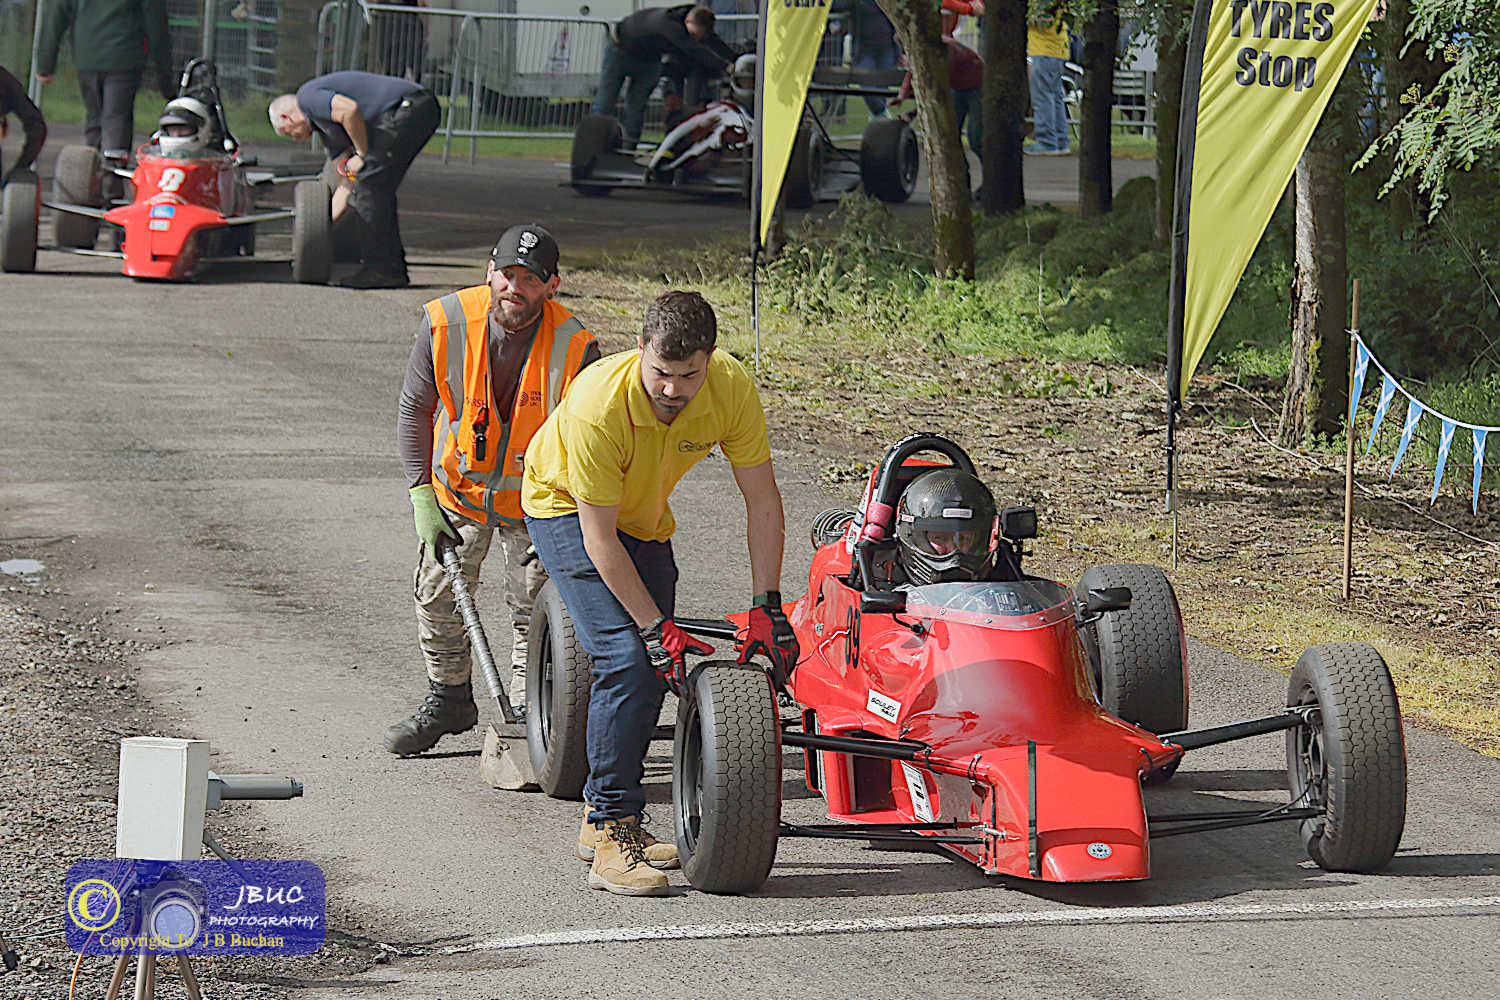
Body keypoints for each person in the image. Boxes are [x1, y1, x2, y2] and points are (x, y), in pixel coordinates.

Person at [521, 290, 798, 896]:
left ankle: (603, 821)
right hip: (565, 508)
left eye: (688, 376)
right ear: (641, 348)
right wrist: (654, 628)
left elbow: (762, 500)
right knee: (628, 658)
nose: (673, 390)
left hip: (642, 517)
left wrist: (768, 605)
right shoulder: (598, 404)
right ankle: (611, 830)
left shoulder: (730, 388)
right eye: (661, 373)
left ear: (710, 359)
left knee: (654, 669)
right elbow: (599, 539)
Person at [385, 224, 601, 756]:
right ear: (490, 271)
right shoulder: (445, 322)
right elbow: (415, 408)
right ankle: (449, 699)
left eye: (530, 279)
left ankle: (531, 717)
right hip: (458, 493)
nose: (514, 288)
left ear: (553, 285)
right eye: (507, 274)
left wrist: (568, 519)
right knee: (437, 596)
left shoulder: (577, 348)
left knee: (536, 611)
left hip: (536, 505)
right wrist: (420, 495)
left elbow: (590, 444)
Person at [268, 71, 440, 289]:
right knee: (376, 189)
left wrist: (361, 153)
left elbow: (349, 110)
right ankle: (392, 270)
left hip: (410, 106)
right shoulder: (329, 133)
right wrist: (314, 231)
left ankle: (381, 270)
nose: (295, 138)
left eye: (288, 133)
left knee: (370, 184)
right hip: (411, 110)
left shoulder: (307, 97)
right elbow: (346, 185)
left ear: (287, 117)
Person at [33, 0, 173, 211]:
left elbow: (56, 13)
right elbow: (156, 21)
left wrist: (45, 63)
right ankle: (110, 192)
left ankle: (89, 185)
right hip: (124, 55)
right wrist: (165, 75)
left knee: (95, 120)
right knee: (116, 121)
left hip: (87, 54)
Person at [594, 5, 735, 149]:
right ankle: (593, 145)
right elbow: (693, 49)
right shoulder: (669, 24)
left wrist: (736, 58)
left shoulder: (696, 18)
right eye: (693, 35)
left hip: (650, 60)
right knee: (605, 102)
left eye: (699, 37)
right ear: (688, 22)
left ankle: (628, 149)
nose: (695, 39)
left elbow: (712, 41)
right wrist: (725, 66)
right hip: (621, 50)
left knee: (636, 109)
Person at [893, 468, 998, 585]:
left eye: (963, 539)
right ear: (913, 536)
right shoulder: (884, 582)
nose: (952, 550)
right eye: (939, 538)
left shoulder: (1002, 578)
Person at [889, 35, 983, 158]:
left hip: (977, 87)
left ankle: (991, 166)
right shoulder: (921, 49)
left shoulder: (945, 50)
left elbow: (939, 91)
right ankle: (960, 167)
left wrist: (912, 113)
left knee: (976, 137)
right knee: (949, 136)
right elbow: (912, 72)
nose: (904, 53)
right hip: (957, 87)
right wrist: (901, 96)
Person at [1027, 5, 1072, 155]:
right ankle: (1060, 141)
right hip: (1057, 50)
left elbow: (1041, 19)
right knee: (1055, 97)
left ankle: (1047, 141)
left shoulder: (1043, 3)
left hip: (1043, 49)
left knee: (1042, 97)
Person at [0, 65, 46, 186]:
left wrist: (19, 169)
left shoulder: (5, 82)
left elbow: (36, 126)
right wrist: (21, 167)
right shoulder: (6, 80)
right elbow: (37, 126)